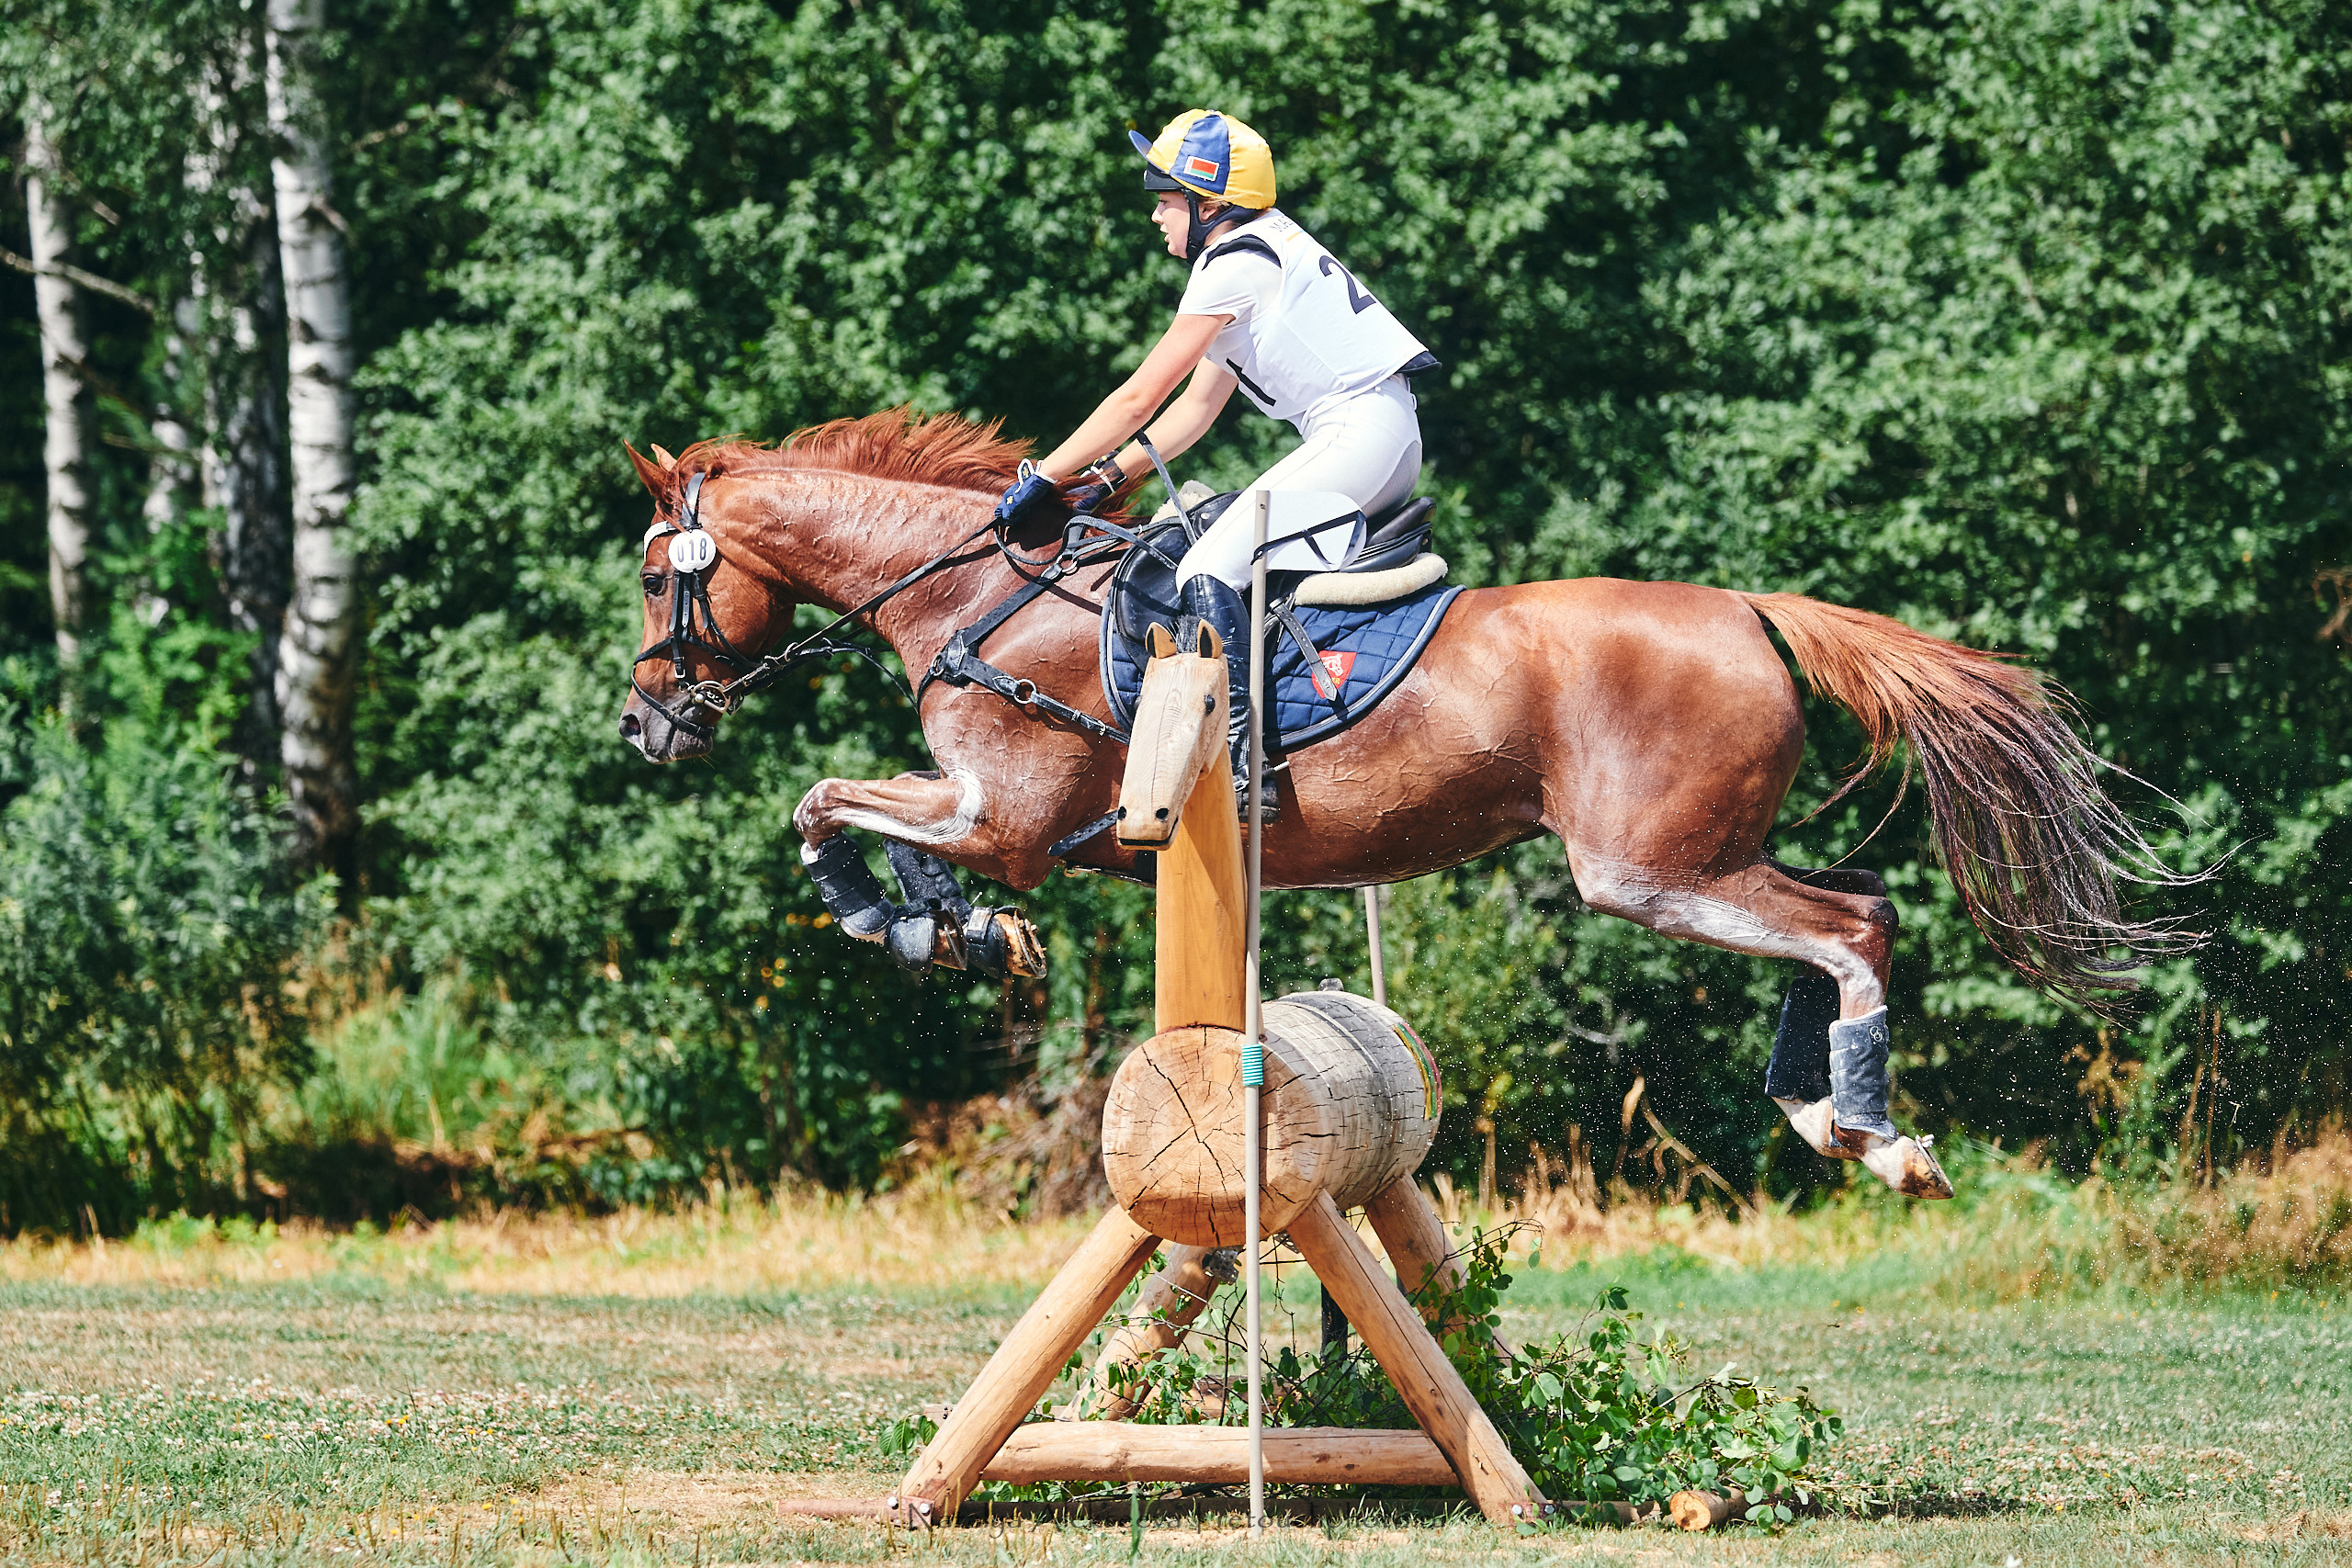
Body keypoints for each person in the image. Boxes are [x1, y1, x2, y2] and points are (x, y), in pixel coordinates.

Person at [993, 108, 1437, 818]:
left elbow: (1140, 394)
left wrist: (1044, 474)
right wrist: (1109, 478)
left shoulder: (1231, 266)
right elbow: (1195, 412)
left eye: (1164, 199)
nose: (1156, 217)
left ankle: (1241, 761)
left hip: (1359, 433)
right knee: (1220, 550)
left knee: (1204, 568)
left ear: (1207, 204)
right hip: (1377, 434)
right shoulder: (1257, 251)